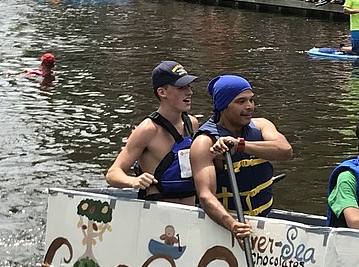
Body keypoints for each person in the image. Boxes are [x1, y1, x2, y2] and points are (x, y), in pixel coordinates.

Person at [190, 75, 293, 240]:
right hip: (227, 226)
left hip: (264, 223)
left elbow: (285, 151)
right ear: (222, 106)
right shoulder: (205, 142)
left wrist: (240, 145)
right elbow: (205, 195)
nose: (249, 106)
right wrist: (232, 225)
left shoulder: (262, 125)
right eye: (241, 101)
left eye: (251, 100)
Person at [105, 60, 200, 204]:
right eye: (181, 87)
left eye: (189, 86)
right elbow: (113, 174)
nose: (189, 92)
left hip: (191, 210)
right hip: (157, 211)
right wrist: (133, 181)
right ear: (162, 92)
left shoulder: (191, 124)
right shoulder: (147, 130)